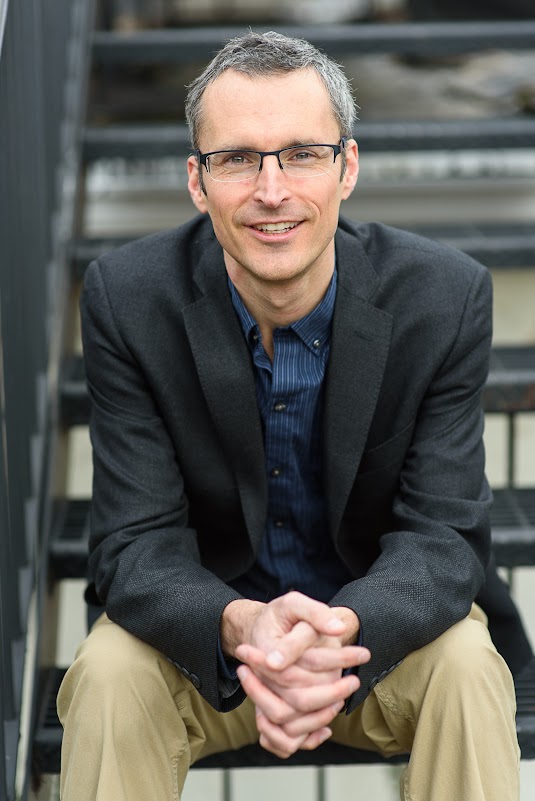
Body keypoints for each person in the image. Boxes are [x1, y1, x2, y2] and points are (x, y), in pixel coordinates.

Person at [57, 30, 522, 801]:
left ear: (347, 167)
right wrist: (239, 626)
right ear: (197, 182)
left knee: (470, 669)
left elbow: (443, 537)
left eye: (301, 153)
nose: (271, 190)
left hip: (379, 641)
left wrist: (338, 634)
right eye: (236, 158)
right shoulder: (128, 298)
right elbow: (132, 543)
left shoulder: (443, 295)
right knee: (106, 675)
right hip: (205, 642)